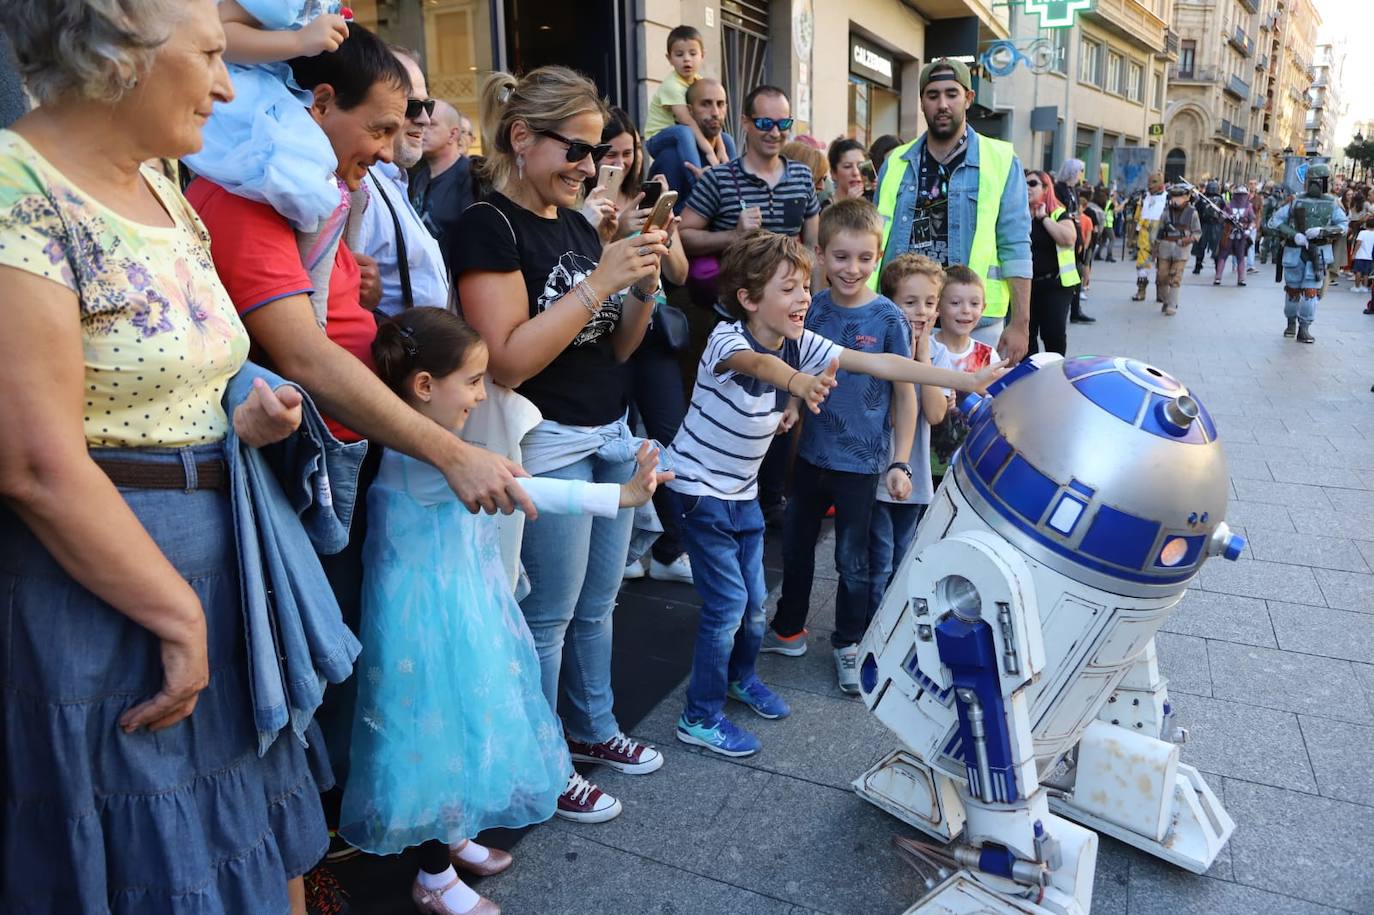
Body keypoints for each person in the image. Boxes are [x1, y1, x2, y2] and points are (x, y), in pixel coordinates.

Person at [0, 2, 334, 911]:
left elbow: (173, 371)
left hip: (214, 556)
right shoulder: (15, 187)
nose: (231, 87)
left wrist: (243, 413)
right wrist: (179, 619)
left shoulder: (162, 182)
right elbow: (33, 462)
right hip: (107, 586)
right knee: (155, 853)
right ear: (119, 58)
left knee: (256, 841)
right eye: (216, 56)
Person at [339, 310, 669, 915]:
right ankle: (433, 877)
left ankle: (454, 832)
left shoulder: (441, 446)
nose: (480, 394)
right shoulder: (425, 458)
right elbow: (526, 487)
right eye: (471, 381)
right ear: (423, 387)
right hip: (430, 623)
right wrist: (619, 496)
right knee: (435, 738)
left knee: (463, 726)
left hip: (458, 605)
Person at [665, 231, 1005, 755]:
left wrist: (965, 382)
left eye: (806, 286)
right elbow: (760, 366)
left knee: (755, 603)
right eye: (789, 289)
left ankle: (739, 677)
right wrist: (799, 385)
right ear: (751, 300)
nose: (805, 297)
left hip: (739, 494)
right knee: (729, 605)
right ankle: (699, 715)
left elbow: (883, 365)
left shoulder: (803, 340)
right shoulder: (726, 339)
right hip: (697, 489)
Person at [450, 66, 671, 822]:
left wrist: (637, 281)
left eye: (595, 149)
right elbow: (506, 357)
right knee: (545, 615)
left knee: (598, 605)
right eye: (574, 149)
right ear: (521, 138)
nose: (589, 164)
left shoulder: (579, 224)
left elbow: (616, 349)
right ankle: (541, 760)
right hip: (545, 441)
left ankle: (593, 727)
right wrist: (600, 280)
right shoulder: (490, 226)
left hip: (609, 427)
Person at [766, 200, 915, 695]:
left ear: (878, 257)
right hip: (809, 455)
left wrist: (900, 460)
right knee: (796, 547)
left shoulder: (890, 318)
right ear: (821, 254)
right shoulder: (812, 309)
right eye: (841, 257)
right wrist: (791, 402)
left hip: (861, 464)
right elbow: (800, 367)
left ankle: (849, 642)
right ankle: (788, 628)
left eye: (864, 258)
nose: (852, 268)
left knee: (853, 559)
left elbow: (906, 392)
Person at [679, 83, 820, 527]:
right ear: (745, 123)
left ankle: (770, 501)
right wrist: (733, 235)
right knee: (734, 409)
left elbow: (813, 243)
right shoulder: (720, 179)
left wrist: (804, 291)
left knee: (784, 408)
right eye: (764, 123)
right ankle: (725, 492)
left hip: (786, 322)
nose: (774, 132)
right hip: (734, 321)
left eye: (783, 124)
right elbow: (684, 233)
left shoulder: (800, 176)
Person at [584, 107, 694, 584]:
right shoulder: (583, 203)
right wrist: (615, 229)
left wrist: (664, 233)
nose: (623, 162)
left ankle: (671, 545)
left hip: (653, 332)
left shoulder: (652, 196)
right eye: (611, 153)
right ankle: (625, 547)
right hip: (603, 332)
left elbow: (681, 273)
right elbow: (580, 272)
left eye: (630, 152)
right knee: (614, 441)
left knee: (668, 435)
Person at [871, 58, 1032, 362]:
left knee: (969, 408)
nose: (942, 104)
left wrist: (1021, 323)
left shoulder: (1000, 159)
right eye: (932, 96)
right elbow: (875, 239)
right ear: (922, 102)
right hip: (903, 316)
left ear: (968, 98)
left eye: (951, 94)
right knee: (906, 407)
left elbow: (1016, 244)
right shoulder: (896, 162)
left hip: (973, 320)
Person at [185, 0, 347, 233]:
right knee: (303, 181)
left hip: (269, 89)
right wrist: (298, 41)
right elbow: (218, 30)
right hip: (239, 95)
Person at [865, 254, 952, 621]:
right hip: (874, 472)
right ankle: (871, 624)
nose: (921, 312)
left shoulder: (939, 353)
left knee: (905, 556)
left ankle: (897, 623)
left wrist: (923, 354)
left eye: (930, 303)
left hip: (914, 474)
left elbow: (935, 413)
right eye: (910, 302)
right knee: (878, 559)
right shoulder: (875, 347)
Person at [355, 47, 450, 315]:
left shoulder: (394, 180)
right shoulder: (359, 185)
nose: (425, 119)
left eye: (427, 105)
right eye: (411, 106)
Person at [928, 265, 1003, 490]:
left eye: (974, 304)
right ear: (939, 306)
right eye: (955, 303)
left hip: (968, 464)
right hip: (926, 464)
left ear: (984, 308)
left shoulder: (988, 355)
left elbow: (997, 410)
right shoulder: (926, 350)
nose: (966, 311)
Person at [1268, 162, 1349, 344]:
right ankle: (1291, 324)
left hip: (1318, 251)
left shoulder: (1332, 203)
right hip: (1295, 250)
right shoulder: (1295, 200)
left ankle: (1304, 328)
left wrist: (1322, 231)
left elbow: (1343, 227)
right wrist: (1293, 234)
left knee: (1311, 292)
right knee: (1293, 291)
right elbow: (1274, 221)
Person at [647, 76, 735, 210]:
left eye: (720, 104)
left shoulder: (726, 144)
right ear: (690, 110)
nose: (715, 112)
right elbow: (666, 218)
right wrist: (708, 185)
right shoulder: (671, 156)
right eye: (706, 104)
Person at [1026, 169, 1081, 356]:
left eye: (1033, 184)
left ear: (1046, 188)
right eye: (1024, 184)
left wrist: (1044, 218)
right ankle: (1031, 378)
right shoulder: (1019, 215)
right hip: (1027, 286)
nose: (1027, 187)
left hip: (1055, 286)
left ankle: (1055, 374)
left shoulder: (1057, 213)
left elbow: (1068, 238)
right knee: (1027, 336)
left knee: (1053, 334)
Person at [413, 100, 476, 254]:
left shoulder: (471, 176)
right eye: (422, 123)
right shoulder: (419, 178)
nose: (422, 129)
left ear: (453, 134)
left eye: (431, 124)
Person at [1152, 184, 1201, 317]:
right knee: (1162, 276)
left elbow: (1197, 233)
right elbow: (1159, 231)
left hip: (1181, 249)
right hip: (1165, 247)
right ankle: (1166, 300)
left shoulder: (1192, 213)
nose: (1176, 200)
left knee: (1176, 277)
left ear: (1186, 197)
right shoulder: (1166, 212)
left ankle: (1172, 305)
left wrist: (1188, 240)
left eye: (1179, 197)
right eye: (1174, 197)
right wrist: (1154, 248)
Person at [1132, 172, 1167, 301]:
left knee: (1163, 266)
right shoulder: (1144, 197)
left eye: (1154, 182)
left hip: (1161, 234)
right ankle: (1141, 291)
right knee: (1142, 264)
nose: (1150, 185)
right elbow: (1138, 216)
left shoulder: (1167, 198)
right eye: (1149, 182)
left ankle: (1161, 294)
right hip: (1145, 234)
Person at [1213, 186, 1254, 287]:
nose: (1241, 197)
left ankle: (1241, 279)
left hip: (1241, 235)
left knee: (1240, 257)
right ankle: (1218, 278)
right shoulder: (1228, 206)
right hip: (1228, 234)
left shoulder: (1248, 206)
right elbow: (1220, 219)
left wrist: (1249, 230)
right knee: (1222, 256)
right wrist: (1225, 216)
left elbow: (1252, 221)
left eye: (1243, 195)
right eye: (1239, 195)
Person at [1191, 179, 1224, 274]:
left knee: (1201, 246)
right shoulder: (1220, 200)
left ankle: (1198, 266)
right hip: (1215, 226)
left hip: (1205, 225)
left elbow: (1197, 210)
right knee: (1214, 247)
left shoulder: (1202, 199)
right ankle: (1217, 267)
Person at [828, 137, 870, 202]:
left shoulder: (872, 199)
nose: (856, 172)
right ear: (833, 173)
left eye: (860, 165)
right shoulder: (825, 209)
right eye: (847, 166)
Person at [1352, 218, 1374, 294]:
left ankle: (1357, 287)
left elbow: (1358, 243)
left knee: (1358, 271)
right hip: (1369, 256)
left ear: (1366, 224)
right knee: (1366, 273)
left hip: (1360, 255)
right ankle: (1364, 287)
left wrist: (1354, 253)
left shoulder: (1362, 233)